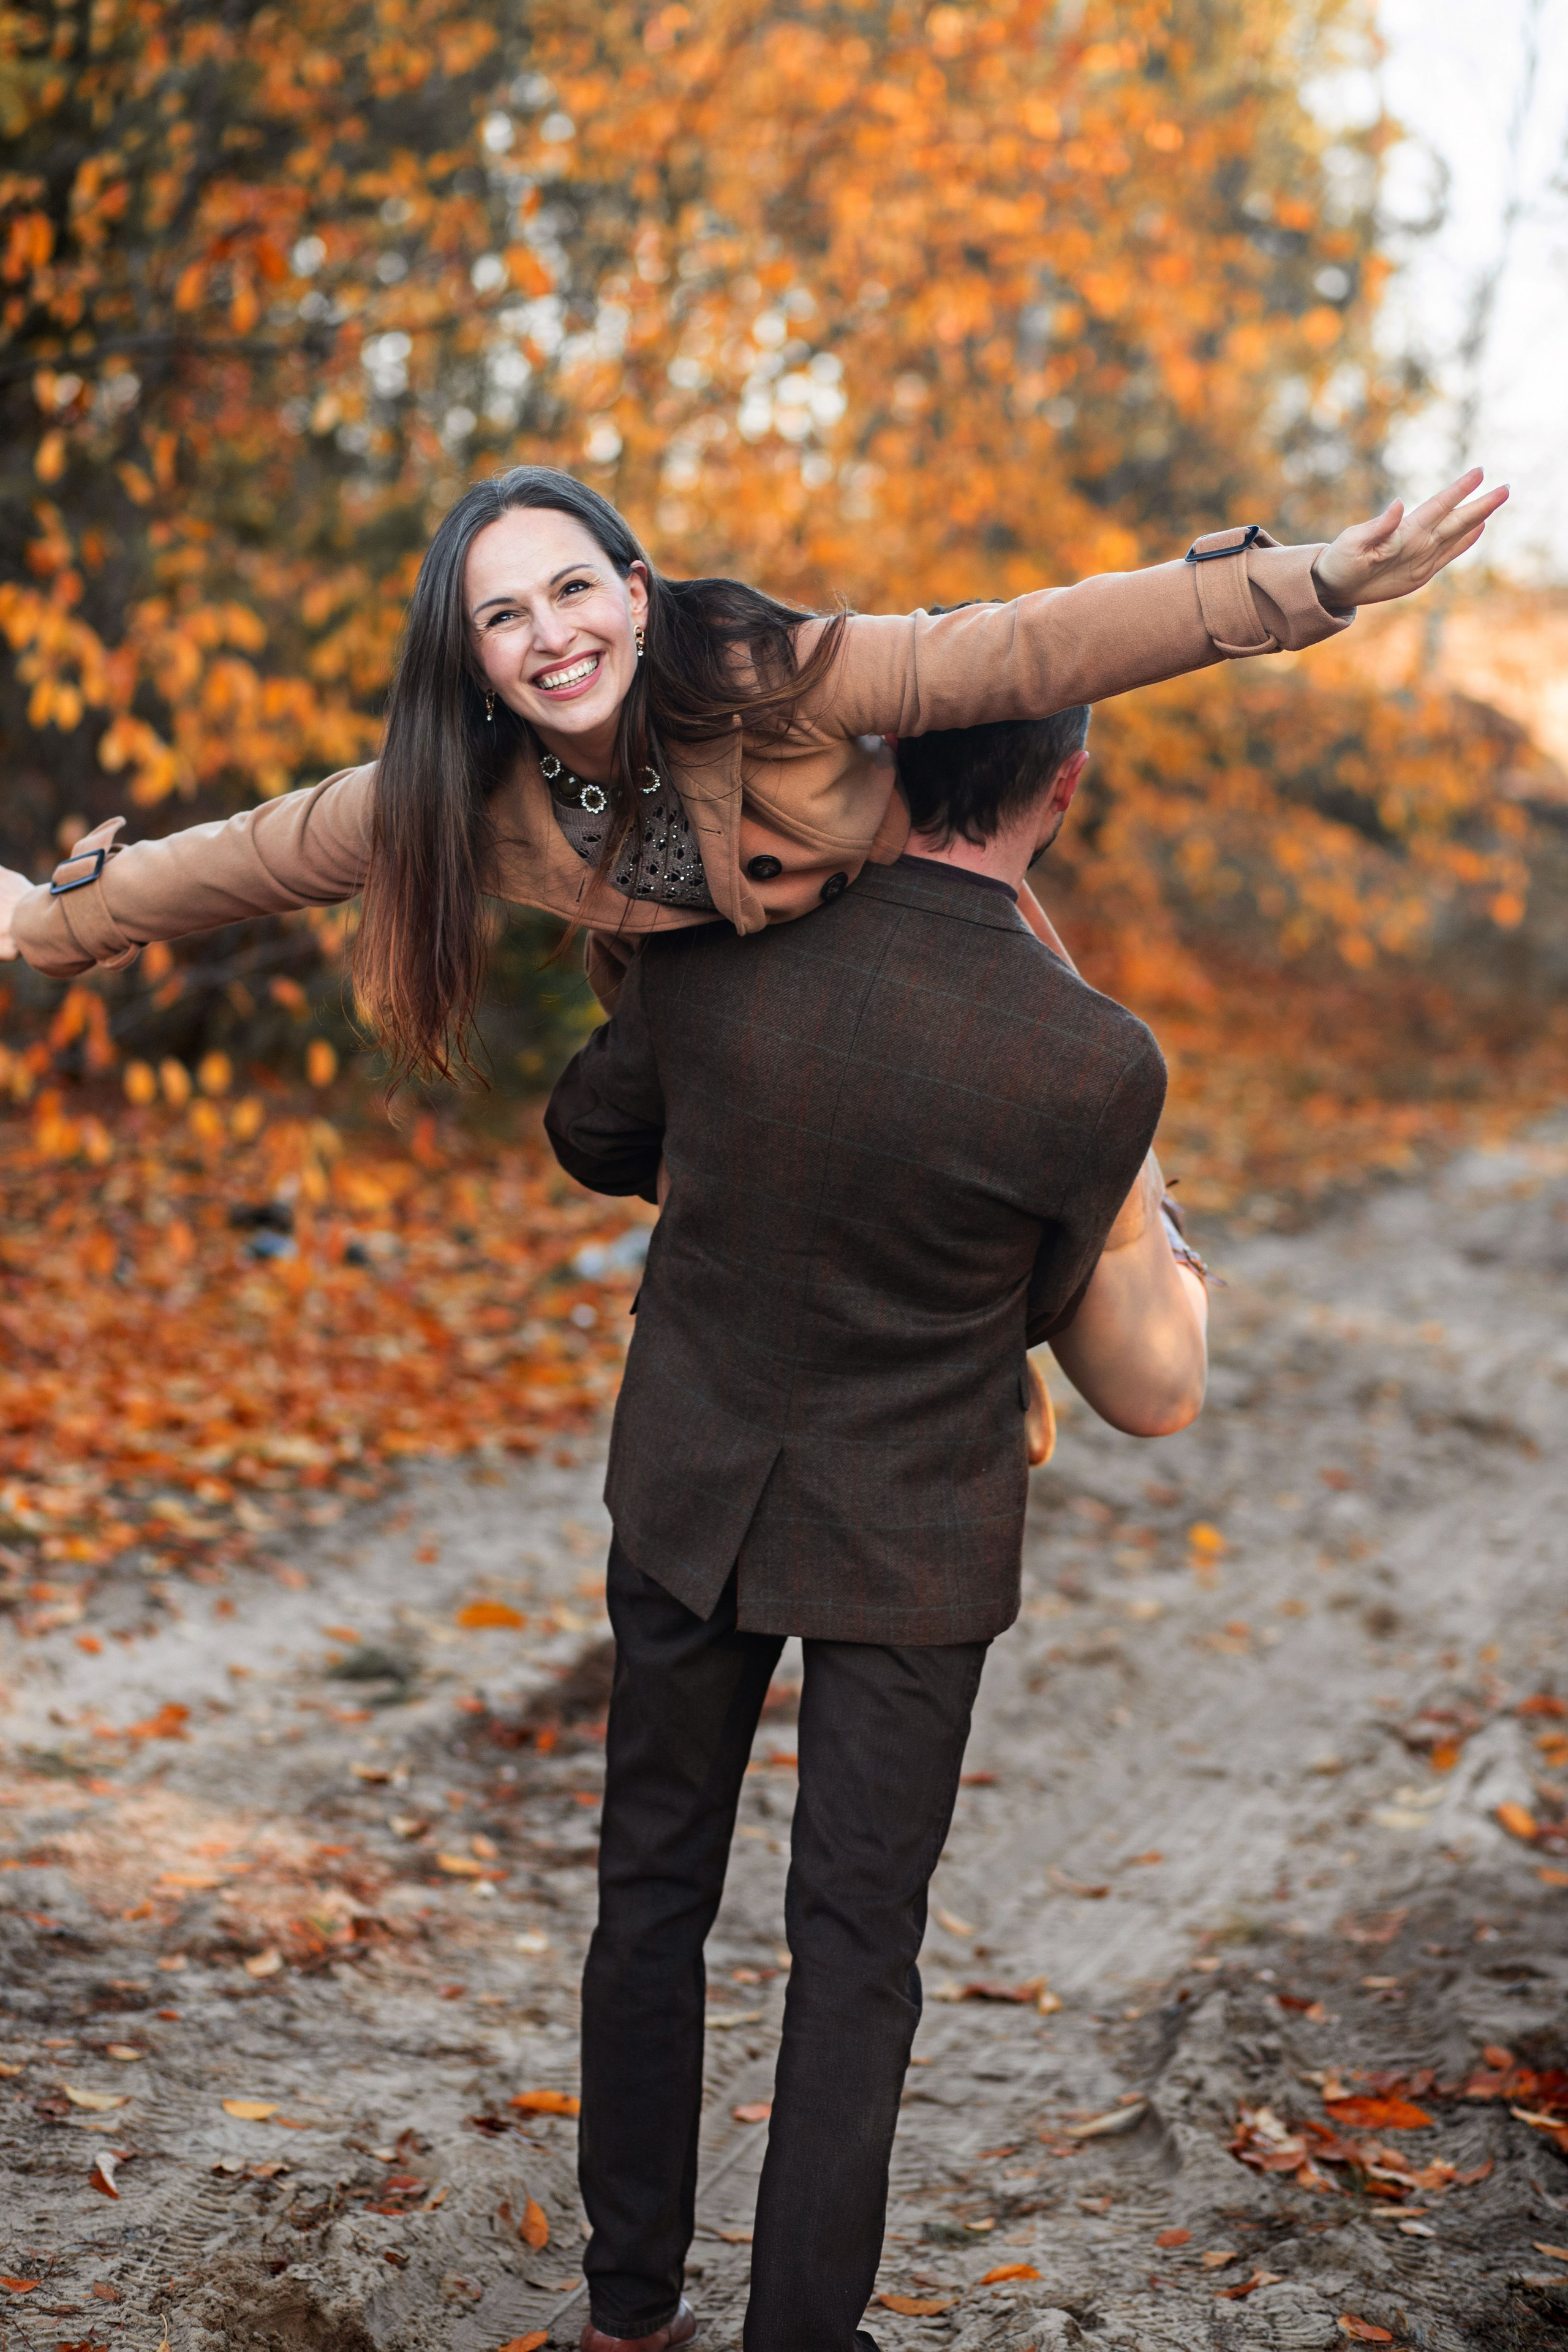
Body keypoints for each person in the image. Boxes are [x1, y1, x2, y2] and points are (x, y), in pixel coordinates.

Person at [541, 699, 1208, 2352]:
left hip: (692, 1485)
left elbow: (590, 1131)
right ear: (1062, 790)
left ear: (889, 762)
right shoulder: (1098, 1060)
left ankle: (628, 2312)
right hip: (915, 1530)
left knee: (652, 1889)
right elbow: (1066, 1309)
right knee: (857, 1951)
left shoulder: (720, 948)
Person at [0, 467, 1505, 1076]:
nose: (551, 638)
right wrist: (43, 921)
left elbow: (1022, 648)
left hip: (905, 945)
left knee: (1110, 1237)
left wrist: (1308, 583)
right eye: (502, 618)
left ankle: (1058, 1284)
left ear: (637, 596)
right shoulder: (447, 794)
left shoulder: (770, 674)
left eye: (574, 593)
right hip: (716, 1026)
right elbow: (244, 857)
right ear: (469, 664)